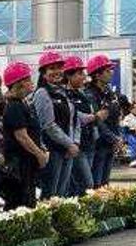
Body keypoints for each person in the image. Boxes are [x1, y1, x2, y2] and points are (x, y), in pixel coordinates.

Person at [0, 62, 48, 210]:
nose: (31, 83)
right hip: (19, 164)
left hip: (27, 162)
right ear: (19, 83)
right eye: (27, 80)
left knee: (28, 200)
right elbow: (22, 136)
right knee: (20, 204)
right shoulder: (14, 106)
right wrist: (39, 154)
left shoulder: (22, 103)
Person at [32, 51, 78, 199]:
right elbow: (48, 125)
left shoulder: (63, 92)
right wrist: (69, 144)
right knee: (50, 194)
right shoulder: (42, 93)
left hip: (67, 149)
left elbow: (72, 119)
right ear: (43, 74)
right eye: (52, 68)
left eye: (59, 67)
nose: (57, 71)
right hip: (52, 150)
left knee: (62, 194)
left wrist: (73, 143)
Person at [63, 56, 103, 196]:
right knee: (87, 183)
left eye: (83, 73)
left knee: (80, 184)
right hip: (76, 144)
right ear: (68, 75)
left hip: (89, 141)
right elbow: (74, 116)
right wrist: (95, 117)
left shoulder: (83, 94)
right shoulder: (65, 95)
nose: (83, 77)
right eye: (79, 74)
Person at [86, 55, 123, 187]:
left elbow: (115, 118)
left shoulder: (110, 93)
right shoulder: (89, 94)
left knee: (105, 183)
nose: (111, 73)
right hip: (98, 144)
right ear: (97, 74)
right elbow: (98, 121)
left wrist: (118, 137)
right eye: (107, 70)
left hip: (111, 142)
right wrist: (113, 138)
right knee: (96, 183)